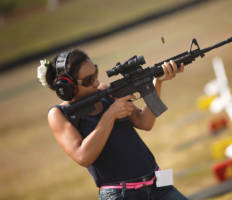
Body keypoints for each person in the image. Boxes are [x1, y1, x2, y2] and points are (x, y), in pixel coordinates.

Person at [37, 49, 189, 200]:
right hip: (120, 195)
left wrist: (157, 82)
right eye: (89, 80)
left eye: (95, 73)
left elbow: (145, 122)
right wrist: (110, 115)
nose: (96, 82)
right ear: (67, 87)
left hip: (158, 180)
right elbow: (83, 156)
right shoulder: (58, 114)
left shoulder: (105, 91)